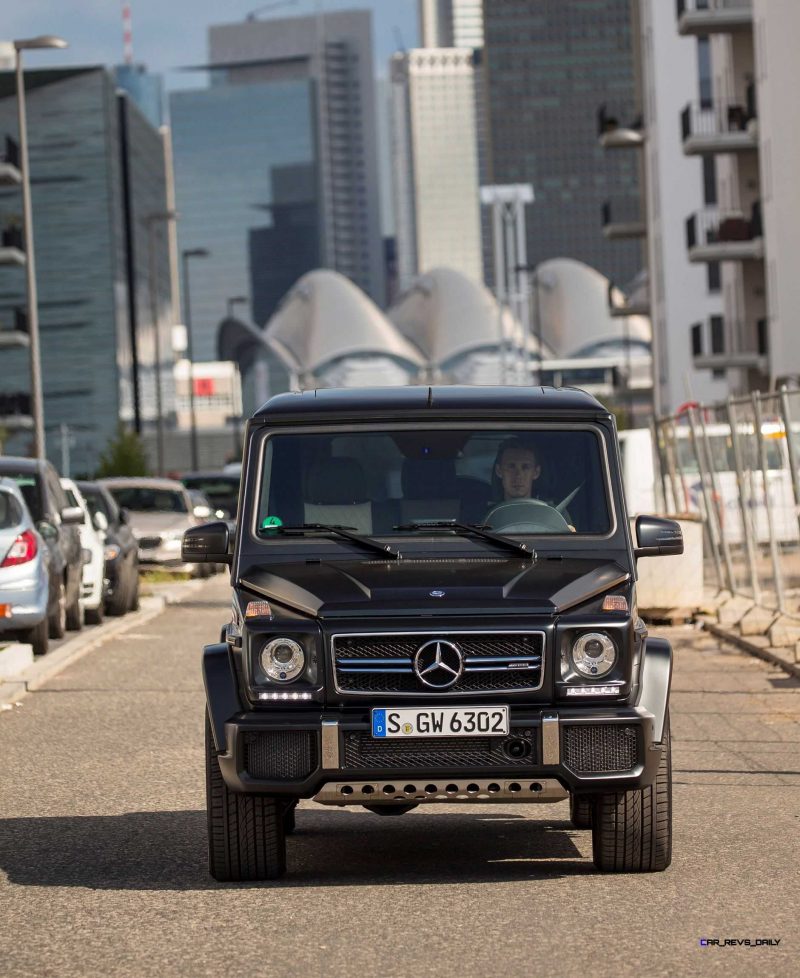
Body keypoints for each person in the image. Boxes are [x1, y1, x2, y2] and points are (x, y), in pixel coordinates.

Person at [490, 437, 576, 530]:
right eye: (511, 466)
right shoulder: (486, 515)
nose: (518, 475)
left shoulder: (556, 515)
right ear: (499, 471)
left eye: (525, 467)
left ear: (536, 472)